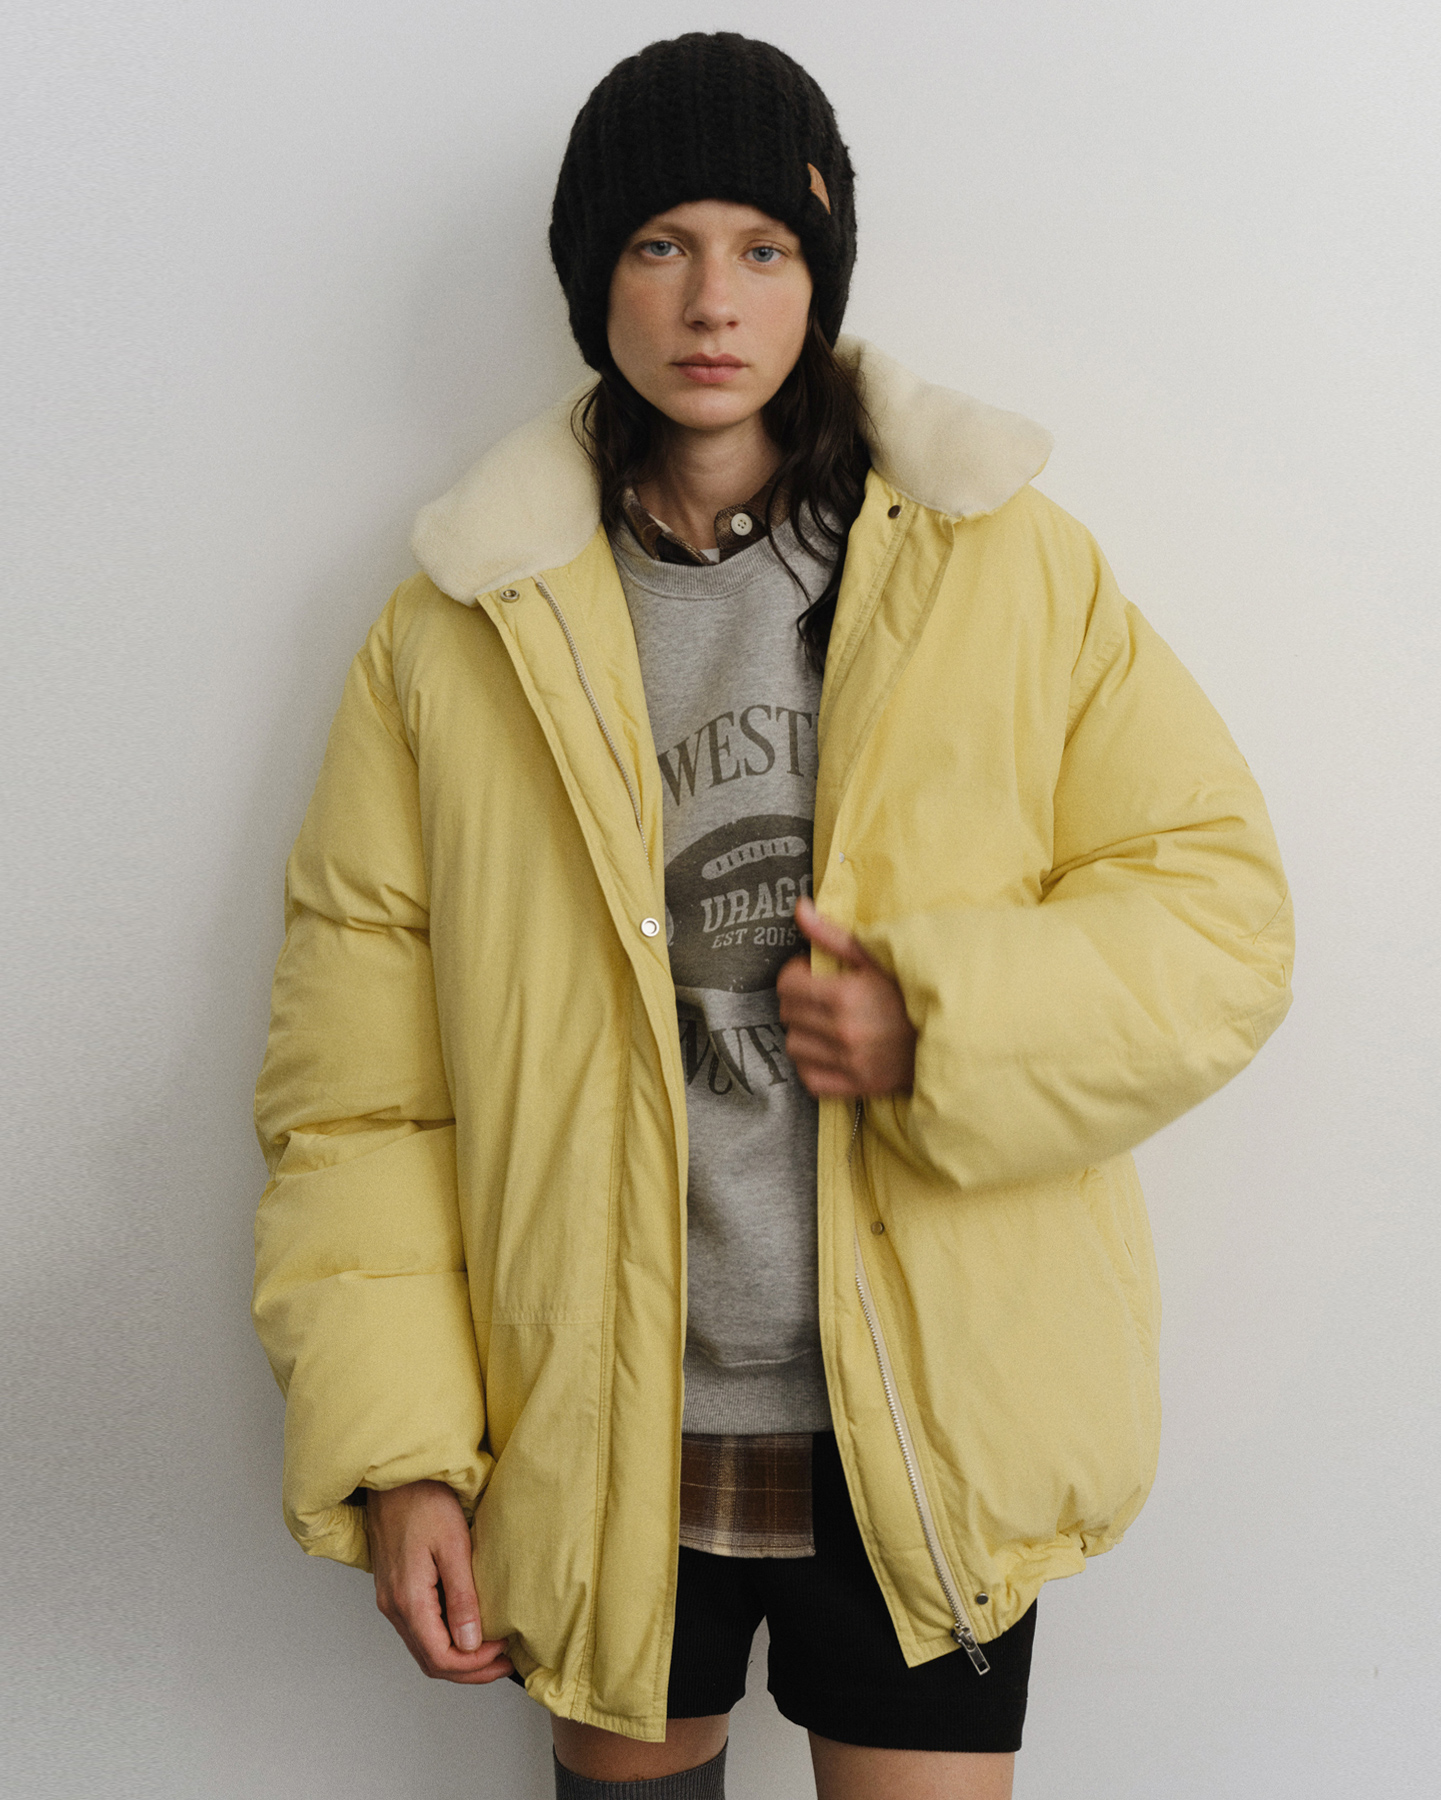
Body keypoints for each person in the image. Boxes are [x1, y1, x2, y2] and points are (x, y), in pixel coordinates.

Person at [252, 31, 1293, 1800]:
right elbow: (359, 1097)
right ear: (594, 280)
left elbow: (1220, 915)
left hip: (930, 1418)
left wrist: (941, 1021)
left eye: (766, 246)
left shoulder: (1002, 562)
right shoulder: (460, 629)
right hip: (603, 1427)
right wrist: (401, 1447)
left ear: (823, 275)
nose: (712, 300)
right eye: (660, 244)